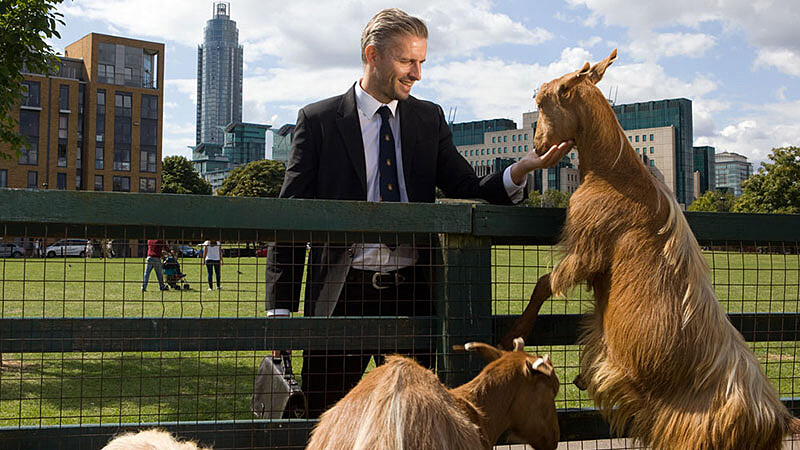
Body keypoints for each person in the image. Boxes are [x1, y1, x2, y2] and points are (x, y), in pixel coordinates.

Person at [264, 8, 574, 417]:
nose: (417, 73)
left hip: (413, 294)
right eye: (407, 61)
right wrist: (279, 311)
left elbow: (466, 185)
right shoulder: (318, 121)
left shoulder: (429, 118)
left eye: (421, 62)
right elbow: (291, 219)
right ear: (373, 55)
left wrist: (523, 168)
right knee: (328, 419)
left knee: (421, 420)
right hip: (340, 297)